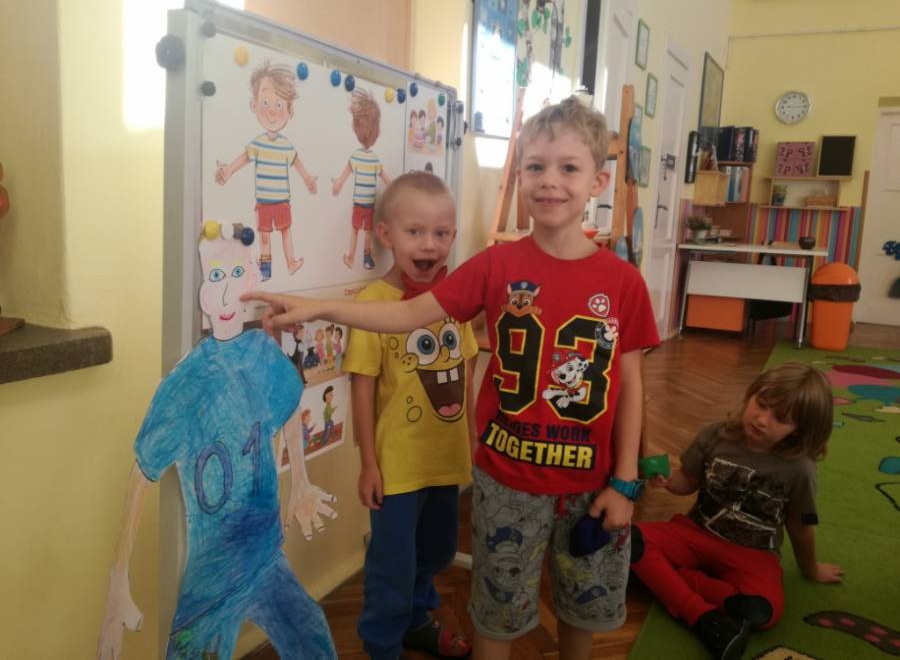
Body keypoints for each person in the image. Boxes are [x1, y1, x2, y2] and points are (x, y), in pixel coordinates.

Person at [241, 96, 660, 660]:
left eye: (568, 167)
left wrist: (626, 479)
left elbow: (630, 384)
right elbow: (407, 315)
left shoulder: (624, 281)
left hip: (592, 482)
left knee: (582, 604)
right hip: (507, 482)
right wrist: (318, 308)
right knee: (496, 607)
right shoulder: (493, 266)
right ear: (519, 175)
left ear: (598, 181)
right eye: (535, 166)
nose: (549, 181)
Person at [97, 226, 337, 660]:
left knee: (313, 638)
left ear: (252, 284)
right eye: (216, 278)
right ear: (204, 295)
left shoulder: (261, 353)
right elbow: (143, 469)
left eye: (237, 275)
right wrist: (119, 579)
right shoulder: (186, 382)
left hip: (266, 559)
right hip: (211, 585)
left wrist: (299, 482)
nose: (226, 293)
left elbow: (288, 401)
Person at [343, 171, 478, 660]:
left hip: (445, 459)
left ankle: (417, 620)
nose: (429, 244)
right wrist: (368, 464)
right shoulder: (370, 307)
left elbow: (467, 367)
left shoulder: (454, 300)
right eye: (415, 231)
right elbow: (362, 387)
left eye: (440, 233)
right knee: (392, 564)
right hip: (396, 468)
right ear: (386, 235)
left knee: (437, 551)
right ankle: (382, 645)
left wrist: (473, 438)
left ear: (453, 236)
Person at [630, 362, 843, 660]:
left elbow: (800, 527)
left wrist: (811, 569)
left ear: (799, 431)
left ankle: (676, 578)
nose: (762, 420)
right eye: (761, 404)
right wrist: (667, 481)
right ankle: (701, 616)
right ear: (750, 394)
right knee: (627, 540)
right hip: (696, 533)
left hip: (754, 554)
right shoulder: (715, 435)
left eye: (780, 418)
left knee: (762, 611)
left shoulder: (800, 469)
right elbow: (687, 481)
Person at [215, 60, 318, 281]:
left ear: (289, 111)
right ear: (254, 105)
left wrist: (308, 178)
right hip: (263, 201)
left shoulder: (286, 145)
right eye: (265, 102)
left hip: (282, 201)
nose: (272, 111)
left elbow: (297, 163)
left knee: (285, 232)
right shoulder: (258, 143)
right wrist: (229, 170)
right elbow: (244, 158)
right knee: (264, 236)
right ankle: (265, 269)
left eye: (279, 105)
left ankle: (291, 263)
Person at [332, 89, 392, 270]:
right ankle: (366, 258)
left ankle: (351, 257)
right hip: (369, 205)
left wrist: (338, 184)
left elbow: (345, 174)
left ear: (355, 129)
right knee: (368, 231)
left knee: (355, 230)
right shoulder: (374, 159)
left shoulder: (356, 157)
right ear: (377, 132)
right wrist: (394, 188)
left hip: (359, 203)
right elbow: (387, 180)